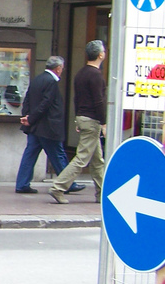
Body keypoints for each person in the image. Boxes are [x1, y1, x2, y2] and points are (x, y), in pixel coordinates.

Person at [50, 40, 107, 204]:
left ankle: (102, 193)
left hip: (83, 117)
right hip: (92, 120)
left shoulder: (80, 73)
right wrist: (103, 123)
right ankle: (58, 187)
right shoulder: (96, 76)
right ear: (100, 55)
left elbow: (77, 99)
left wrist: (77, 118)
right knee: (82, 158)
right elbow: (99, 101)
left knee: (97, 160)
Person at [15, 55, 82, 194]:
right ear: (58, 69)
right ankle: (67, 183)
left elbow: (27, 99)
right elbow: (45, 104)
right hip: (48, 127)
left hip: (35, 127)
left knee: (30, 154)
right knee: (58, 154)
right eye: (62, 69)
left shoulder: (37, 79)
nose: (62, 71)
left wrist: (27, 116)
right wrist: (31, 118)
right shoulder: (51, 82)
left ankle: (22, 183)